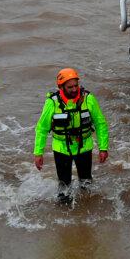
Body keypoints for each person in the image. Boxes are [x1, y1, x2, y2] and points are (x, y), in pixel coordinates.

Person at [33, 68, 109, 204]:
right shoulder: (52, 102)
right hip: (61, 149)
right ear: (61, 87)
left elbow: (100, 123)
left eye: (76, 85)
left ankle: (86, 210)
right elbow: (42, 128)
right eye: (70, 87)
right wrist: (38, 152)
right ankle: (64, 218)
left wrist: (103, 148)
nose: (74, 90)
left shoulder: (88, 99)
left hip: (84, 147)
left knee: (86, 184)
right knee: (64, 187)